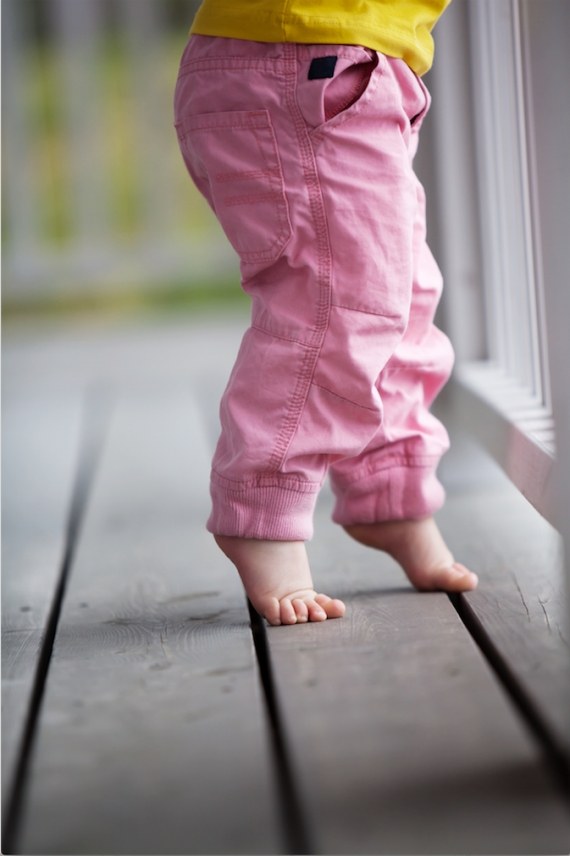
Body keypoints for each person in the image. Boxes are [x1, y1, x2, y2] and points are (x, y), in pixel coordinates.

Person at [174, 0, 478, 626]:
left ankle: (391, 493)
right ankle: (262, 509)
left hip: (346, 64)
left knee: (399, 299)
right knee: (337, 304)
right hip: (305, 60)